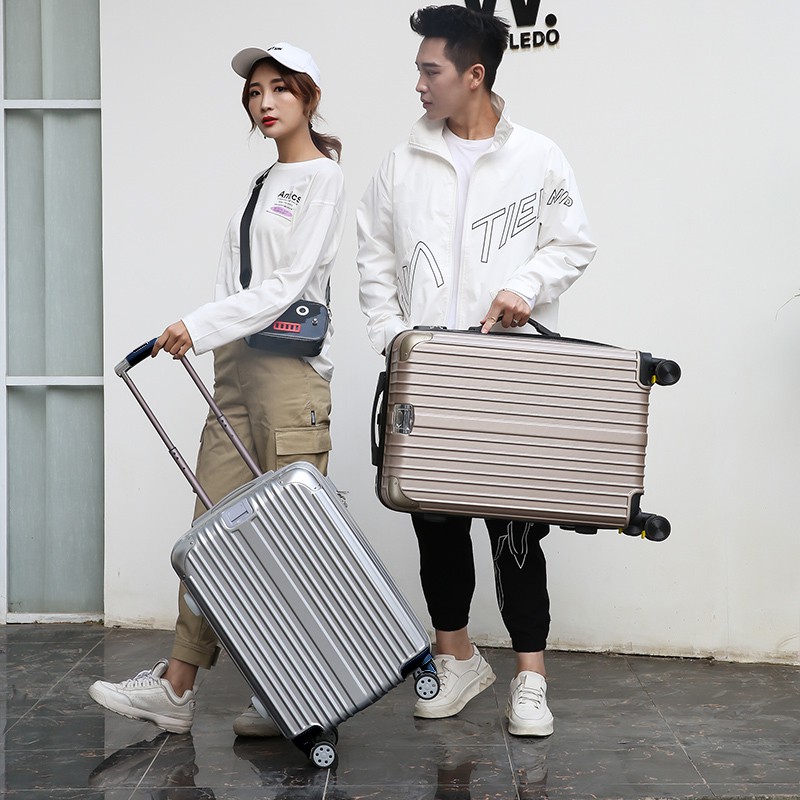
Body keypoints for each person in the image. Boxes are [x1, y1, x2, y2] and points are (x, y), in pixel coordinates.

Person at [89, 42, 345, 738]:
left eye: (280, 88)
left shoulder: (322, 178)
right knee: (211, 532)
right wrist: (210, 335)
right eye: (255, 92)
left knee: (295, 540)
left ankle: (305, 693)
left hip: (289, 375)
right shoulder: (263, 182)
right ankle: (177, 687)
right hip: (235, 366)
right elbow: (237, 285)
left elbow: (285, 287)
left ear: (309, 97)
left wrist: (194, 326)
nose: (265, 102)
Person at [357, 6, 596, 736]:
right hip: (429, 369)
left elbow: (573, 243)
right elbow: (374, 262)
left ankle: (530, 677)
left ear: (474, 74)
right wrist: (396, 340)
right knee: (436, 523)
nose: (419, 84)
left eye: (430, 71)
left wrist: (524, 287)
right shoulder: (401, 162)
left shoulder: (539, 157)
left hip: (511, 371)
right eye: (419, 71)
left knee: (516, 527)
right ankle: (456, 657)